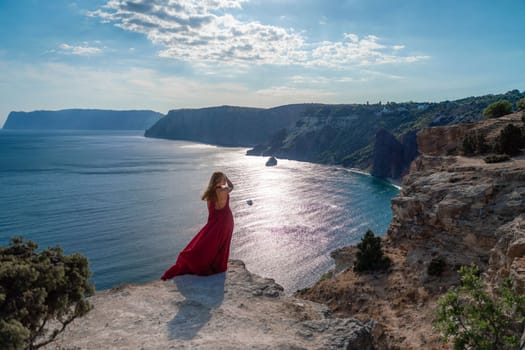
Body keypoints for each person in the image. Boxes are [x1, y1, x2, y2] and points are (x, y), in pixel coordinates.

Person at [161, 171, 234, 280]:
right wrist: (226, 178)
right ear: (221, 181)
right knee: (222, 245)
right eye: (223, 180)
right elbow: (231, 186)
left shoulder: (209, 195)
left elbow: (212, 211)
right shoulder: (224, 191)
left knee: (207, 246)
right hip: (226, 222)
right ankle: (218, 266)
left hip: (213, 225)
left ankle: (207, 264)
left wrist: (222, 179)